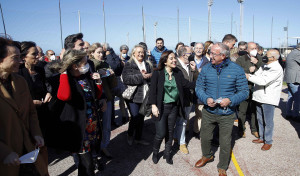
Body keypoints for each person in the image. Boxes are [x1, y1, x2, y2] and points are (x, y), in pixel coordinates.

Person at [194, 42, 248, 176]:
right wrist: (206, 99)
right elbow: (199, 88)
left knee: (225, 142)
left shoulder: (236, 69)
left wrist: (230, 100)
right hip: (209, 111)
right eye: (210, 52)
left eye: (213, 53)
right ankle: (207, 155)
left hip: (227, 113)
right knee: (205, 137)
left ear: (223, 56)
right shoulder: (206, 68)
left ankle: (222, 166)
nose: (210, 55)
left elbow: (244, 92)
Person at [0, 37, 48, 175]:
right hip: (7, 158)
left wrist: (36, 133)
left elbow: (31, 112)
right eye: (15, 58)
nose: (20, 61)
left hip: (28, 150)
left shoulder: (20, 81)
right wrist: (4, 153)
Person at [56, 49, 103, 175]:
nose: (87, 65)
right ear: (74, 65)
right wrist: (64, 72)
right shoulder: (67, 79)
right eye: (84, 62)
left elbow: (96, 95)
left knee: (86, 163)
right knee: (87, 164)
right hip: (80, 128)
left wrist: (98, 82)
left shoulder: (85, 77)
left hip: (92, 125)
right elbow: (64, 96)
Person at [149, 50, 195, 165]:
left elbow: (187, 84)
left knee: (170, 132)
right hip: (161, 107)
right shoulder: (157, 73)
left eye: (174, 58)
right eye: (171, 58)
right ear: (165, 61)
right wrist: (153, 106)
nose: (174, 60)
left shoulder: (177, 72)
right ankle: (155, 153)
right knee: (160, 133)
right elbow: (152, 91)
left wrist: (202, 80)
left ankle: (167, 154)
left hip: (174, 107)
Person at [246, 49, 283, 151]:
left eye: (267, 55)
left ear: (274, 58)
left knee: (268, 121)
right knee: (260, 119)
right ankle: (262, 137)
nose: (264, 57)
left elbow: (263, 81)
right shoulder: (264, 66)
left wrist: (248, 77)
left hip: (268, 98)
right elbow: (257, 75)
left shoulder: (276, 68)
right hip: (259, 96)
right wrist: (251, 75)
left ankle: (268, 141)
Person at [88, 42, 117, 158]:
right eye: (98, 52)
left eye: (102, 52)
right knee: (98, 126)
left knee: (106, 125)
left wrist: (111, 75)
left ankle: (103, 147)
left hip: (107, 98)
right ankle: (98, 148)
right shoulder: (91, 65)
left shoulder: (105, 64)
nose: (101, 54)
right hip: (97, 99)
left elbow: (112, 84)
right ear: (91, 53)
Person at [122, 44, 153, 146]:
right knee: (135, 117)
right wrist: (141, 76)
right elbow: (126, 79)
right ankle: (130, 134)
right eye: (138, 52)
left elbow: (152, 77)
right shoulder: (129, 64)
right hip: (133, 95)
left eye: (142, 52)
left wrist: (150, 76)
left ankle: (138, 138)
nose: (141, 54)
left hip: (145, 94)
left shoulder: (148, 64)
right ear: (133, 53)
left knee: (141, 118)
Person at [173, 46, 197, 155]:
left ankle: (178, 138)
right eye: (190, 54)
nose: (192, 56)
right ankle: (180, 142)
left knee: (183, 120)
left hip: (189, 97)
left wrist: (194, 70)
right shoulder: (175, 65)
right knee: (180, 121)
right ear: (184, 55)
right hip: (178, 98)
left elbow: (195, 79)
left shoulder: (190, 65)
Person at [236, 42, 263, 138]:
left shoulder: (259, 58)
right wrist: (248, 70)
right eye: (252, 48)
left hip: (257, 89)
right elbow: (237, 73)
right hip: (245, 88)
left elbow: (265, 69)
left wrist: (257, 64)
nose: (254, 50)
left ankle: (254, 129)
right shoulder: (240, 59)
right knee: (242, 111)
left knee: (254, 110)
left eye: (255, 48)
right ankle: (241, 129)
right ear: (247, 49)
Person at [188, 42, 209, 137]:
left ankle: (197, 131)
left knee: (199, 113)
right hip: (189, 89)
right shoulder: (189, 59)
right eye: (197, 48)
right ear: (193, 49)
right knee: (186, 112)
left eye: (200, 48)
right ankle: (186, 130)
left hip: (201, 90)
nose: (198, 50)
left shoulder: (207, 61)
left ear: (203, 49)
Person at [102, 42, 125, 126]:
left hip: (114, 81)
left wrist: (108, 55)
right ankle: (111, 120)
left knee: (112, 103)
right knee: (110, 104)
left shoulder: (110, 54)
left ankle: (114, 120)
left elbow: (114, 66)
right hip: (108, 83)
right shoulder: (112, 54)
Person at [285, 43, 300, 122]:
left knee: (290, 96)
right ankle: (295, 115)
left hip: (290, 78)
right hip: (294, 79)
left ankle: (288, 113)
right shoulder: (297, 54)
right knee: (298, 97)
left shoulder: (293, 52)